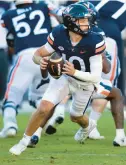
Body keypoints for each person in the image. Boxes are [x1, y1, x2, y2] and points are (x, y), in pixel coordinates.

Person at [9, 4, 106, 155]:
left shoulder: (94, 39)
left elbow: (96, 76)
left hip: (85, 82)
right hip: (64, 78)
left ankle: (88, 127)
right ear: (70, 22)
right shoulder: (59, 33)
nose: (86, 23)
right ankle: (23, 142)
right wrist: (39, 61)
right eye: (81, 20)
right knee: (43, 107)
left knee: (76, 116)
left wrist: (75, 71)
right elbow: (38, 53)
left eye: (86, 20)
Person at [0, 0, 57, 138]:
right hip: (46, 56)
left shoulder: (8, 14)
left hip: (25, 56)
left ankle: (10, 124)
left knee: (12, 96)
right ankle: (48, 120)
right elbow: (56, 29)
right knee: (40, 98)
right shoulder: (43, 6)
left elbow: (3, 41)